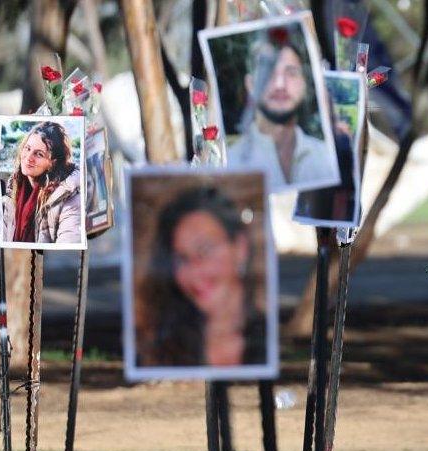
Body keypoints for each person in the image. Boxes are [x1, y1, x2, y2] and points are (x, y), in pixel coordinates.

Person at [142, 187, 265, 367]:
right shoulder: (165, 347)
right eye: (182, 259)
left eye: (205, 251)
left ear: (240, 247)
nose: (195, 272)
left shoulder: (268, 340)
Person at [227, 31, 337, 187]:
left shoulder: (328, 158)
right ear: (250, 85)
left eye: (291, 73)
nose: (280, 84)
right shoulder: (231, 164)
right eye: (268, 72)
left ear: (304, 84)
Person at [1, 121, 82, 245]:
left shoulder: (69, 197)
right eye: (27, 149)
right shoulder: (14, 188)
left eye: (39, 154)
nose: (28, 158)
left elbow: (68, 246)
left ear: (52, 163)